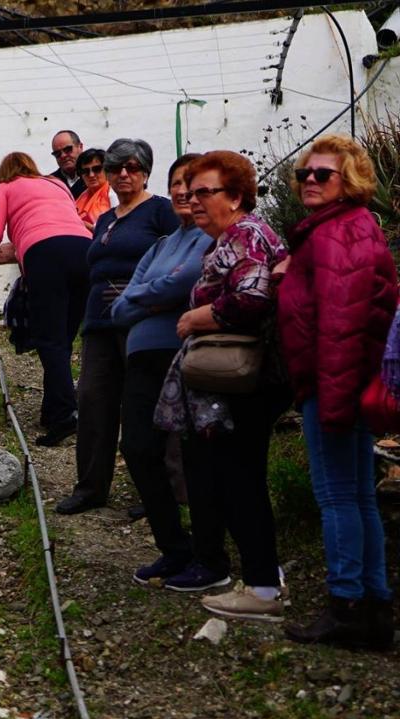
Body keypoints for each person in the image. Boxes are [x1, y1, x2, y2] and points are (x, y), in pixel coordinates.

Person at [152, 150, 290, 620]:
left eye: (205, 192)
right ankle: (262, 578)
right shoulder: (228, 239)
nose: (193, 201)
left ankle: (263, 589)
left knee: (241, 479)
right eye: (190, 193)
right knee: (236, 477)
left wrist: (196, 318)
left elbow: (251, 297)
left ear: (235, 197)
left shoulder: (245, 234)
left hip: (246, 381)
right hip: (237, 382)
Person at [277, 135, 397, 649]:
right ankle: (373, 607)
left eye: (323, 174)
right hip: (346, 383)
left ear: (347, 181)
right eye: (306, 172)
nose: (309, 180)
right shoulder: (353, 228)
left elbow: (341, 327)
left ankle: (346, 605)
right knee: (359, 496)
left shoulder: (335, 236)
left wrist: (332, 400)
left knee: (336, 497)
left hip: (333, 384)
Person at [56, 138, 180, 514]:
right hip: (99, 321)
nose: (123, 174)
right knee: (93, 400)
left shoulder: (161, 211)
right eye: (115, 168)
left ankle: (160, 490)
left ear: (145, 172)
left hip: (143, 320)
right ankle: (91, 486)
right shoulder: (107, 219)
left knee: (146, 404)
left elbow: (177, 256)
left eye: (133, 167)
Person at [111, 154, 214, 585]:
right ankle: (173, 547)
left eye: (189, 183)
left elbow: (186, 281)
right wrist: (151, 298)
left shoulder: (207, 239)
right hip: (140, 358)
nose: (180, 191)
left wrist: (144, 296)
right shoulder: (161, 245)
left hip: (182, 355)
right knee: (136, 448)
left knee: (195, 456)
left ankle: (210, 553)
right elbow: (117, 308)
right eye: (175, 182)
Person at [0, 152, 91, 443]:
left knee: (50, 339)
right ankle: (52, 412)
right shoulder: (57, 185)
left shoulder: (6, 187)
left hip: (45, 254)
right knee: (64, 338)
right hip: (84, 251)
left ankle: (64, 416)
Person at [74, 148, 111, 231]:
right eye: (85, 171)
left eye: (97, 169)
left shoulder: (115, 193)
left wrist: (91, 228)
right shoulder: (79, 197)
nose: (91, 175)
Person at [49, 130, 86, 198]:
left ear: (80, 147)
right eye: (57, 153)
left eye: (68, 150)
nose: (63, 155)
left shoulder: (96, 175)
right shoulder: (51, 183)